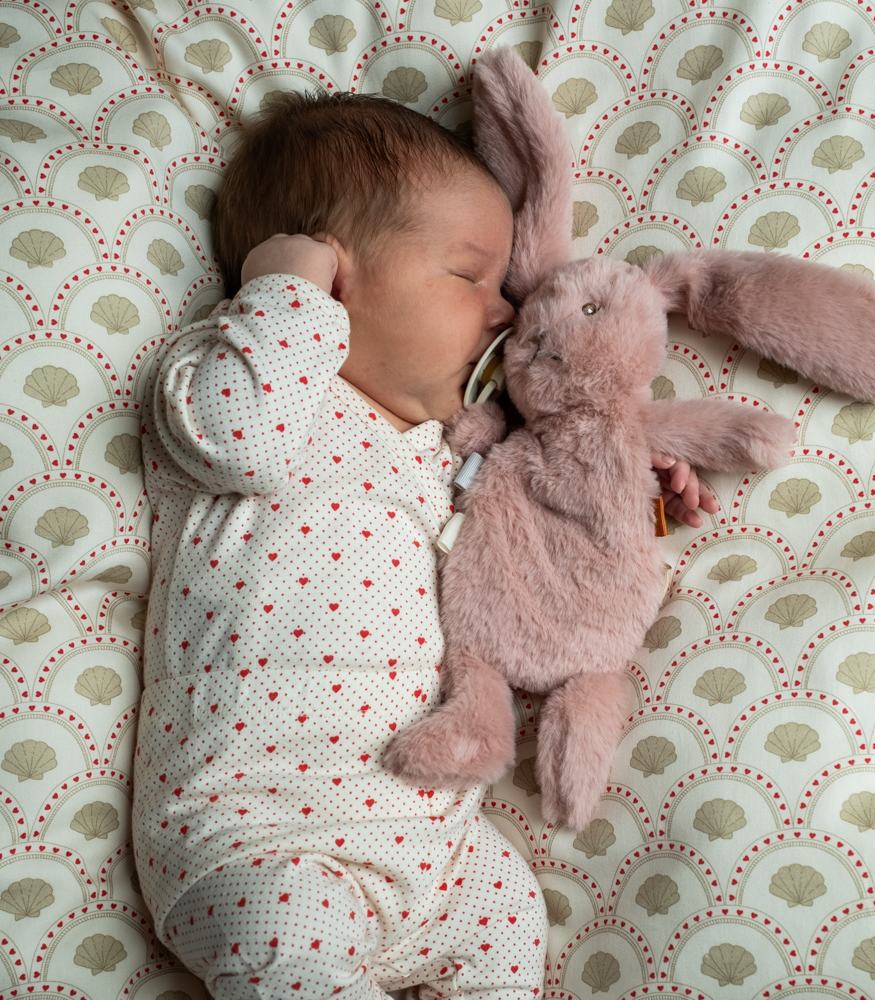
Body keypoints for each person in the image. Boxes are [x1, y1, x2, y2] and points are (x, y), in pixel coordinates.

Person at [132, 87, 715, 1000]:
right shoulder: (232, 378)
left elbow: (539, 566)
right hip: (257, 836)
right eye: (469, 276)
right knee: (285, 945)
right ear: (331, 273)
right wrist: (284, 290)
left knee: (510, 919)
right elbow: (240, 436)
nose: (503, 313)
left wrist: (633, 500)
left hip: (432, 841)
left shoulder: (448, 452)